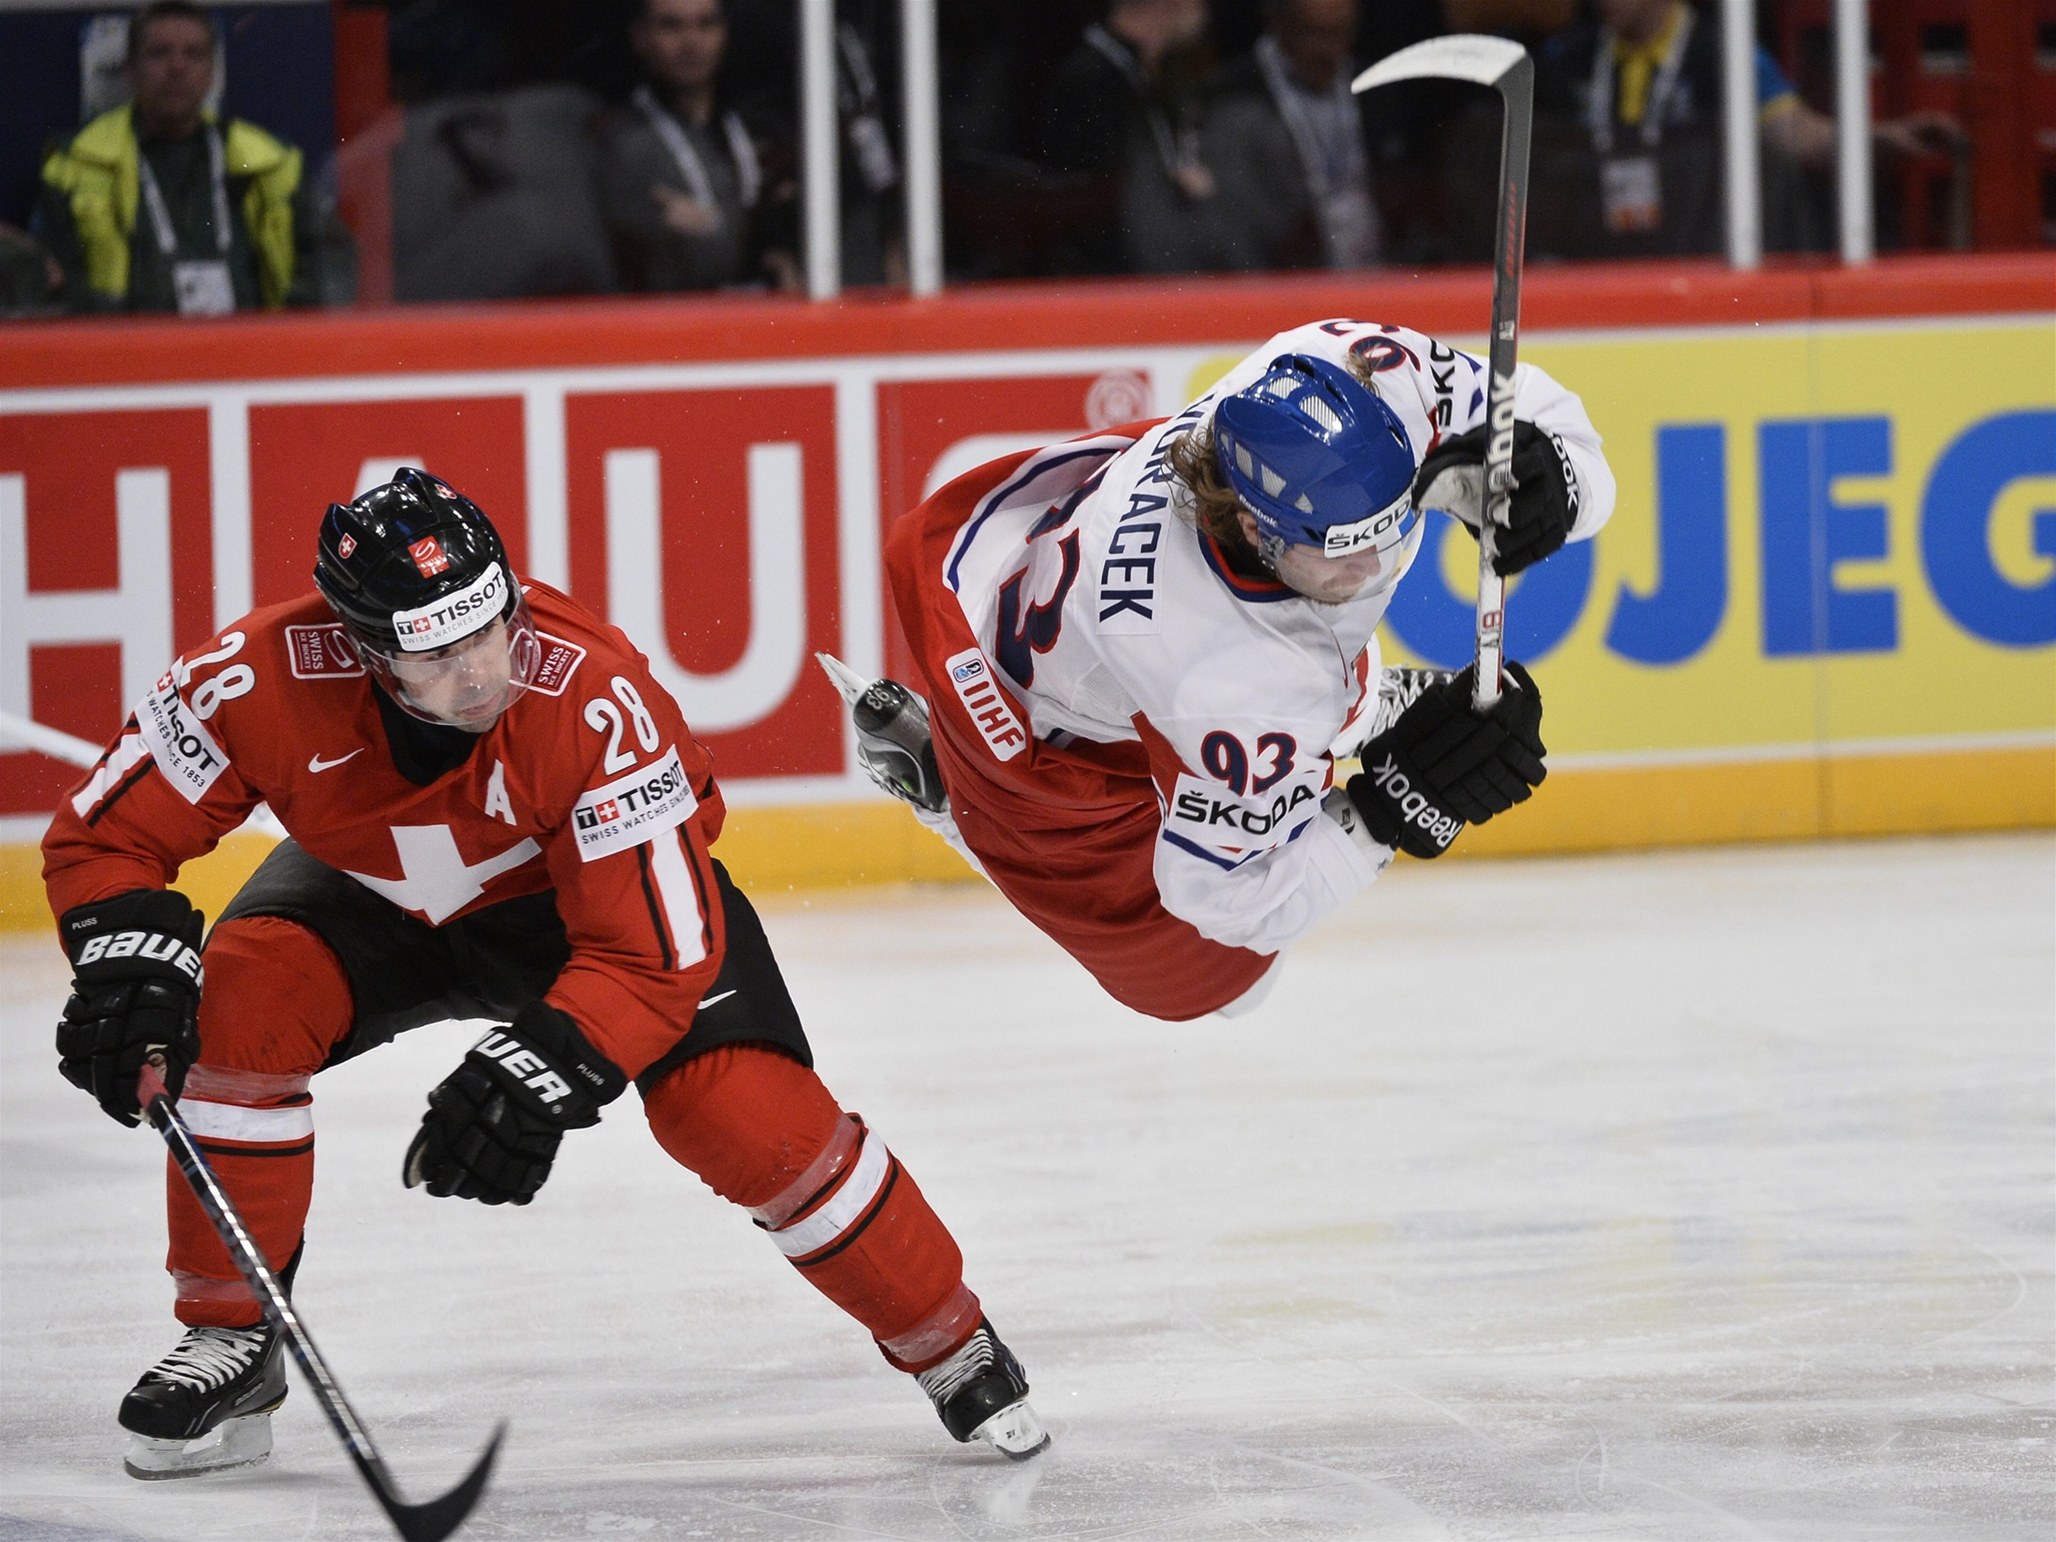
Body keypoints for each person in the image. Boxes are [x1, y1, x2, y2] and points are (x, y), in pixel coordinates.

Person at [42, 470, 1047, 1480]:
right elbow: (102, 836)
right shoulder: (252, 676)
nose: (479, 673)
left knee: (735, 1109)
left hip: (585, 910)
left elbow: (651, 952)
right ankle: (231, 1333)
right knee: (237, 1007)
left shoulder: (594, 695)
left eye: (490, 631)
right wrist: (121, 955)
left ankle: (948, 1339)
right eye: (436, 654)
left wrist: (550, 1064)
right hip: (371, 893)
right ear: (366, 651)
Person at [838, 318, 1613, 1021]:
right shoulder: (1219, 676)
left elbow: (1561, 429)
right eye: (1346, 547)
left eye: (1394, 524)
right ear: (1253, 526)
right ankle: (950, 799)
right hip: (1056, 767)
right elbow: (1229, 904)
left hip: (1075, 626)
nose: (1375, 566)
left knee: (1308, 652)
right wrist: (1389, 809)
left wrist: (1557, 484)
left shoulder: (1357, 368)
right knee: (1232, 989)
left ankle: (1356, 709)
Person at [1533, 0, 1964, 256]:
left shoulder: (1728, 53)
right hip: (1596, 263)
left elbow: (1801, 136)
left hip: (1697, 266)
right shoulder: (1567, 57)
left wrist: (1882, 139)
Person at [34, 0, 327, 314]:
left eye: (194, 54)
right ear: (131, 70)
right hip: (126, 342)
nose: (177, 67)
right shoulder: (76, 166)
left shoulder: (270, 164)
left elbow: (314, 281)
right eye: (159, 53)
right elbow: (60, 295)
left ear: (211, 73)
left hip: (250, 341)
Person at [599, 0, 799, 292]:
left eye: (706, 24)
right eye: (671, 26)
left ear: (725, 33)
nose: (691, 42)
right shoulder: (617, 140)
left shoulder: (760, 129)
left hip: (761, 310)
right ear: (640, 37)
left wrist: (718, 226)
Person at [1031, 0, 1220, 274]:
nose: (1205, 14)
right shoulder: (1092, 80)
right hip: (1103, 275)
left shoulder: (1133, 73)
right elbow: (1084, 197)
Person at [1199, 0, 1382, 271]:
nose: (1331, 50)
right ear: (1279, 23)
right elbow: (1232, 214)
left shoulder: (1377, 84)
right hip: (1281, 277)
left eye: (1342, 33)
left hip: (1379, 272)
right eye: (1316, 34)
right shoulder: (1231, 95)